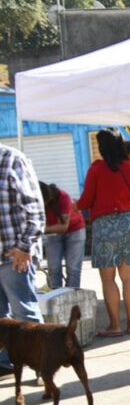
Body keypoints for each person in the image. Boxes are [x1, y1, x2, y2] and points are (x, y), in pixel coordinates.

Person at [76, 129, 130, 336]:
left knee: (108, 278)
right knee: (129, 277)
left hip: (104, 225)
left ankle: (115, 325)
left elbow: (87, 200)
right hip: (127, 222)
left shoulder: (97, 168)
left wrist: (75, 206)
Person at [0, 142, 46, 378]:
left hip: (14, 254)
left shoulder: (12, 159)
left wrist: (24, 246)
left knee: (24, 313)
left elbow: (36, 210)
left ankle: (41, 367)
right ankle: (4, 364)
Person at [40, 182, 86, 289]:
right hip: (52, 234)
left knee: (73, 268)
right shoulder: (36, 201)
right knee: (53, 268)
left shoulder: (63, 197)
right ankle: (55, 296)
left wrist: (44, 229)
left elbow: (63, 227)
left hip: (75, 231)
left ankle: (71, 297)